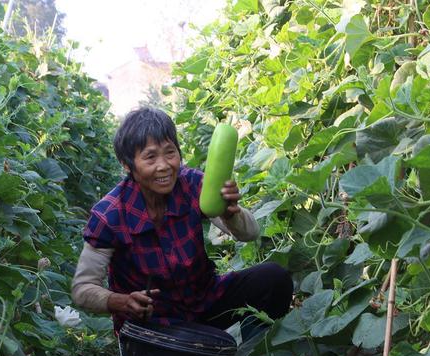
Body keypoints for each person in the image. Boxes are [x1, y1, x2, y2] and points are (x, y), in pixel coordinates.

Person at [71, 107, 292, 338]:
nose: (164, 165)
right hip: (154, 325)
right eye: (150, 157)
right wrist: (121, 302)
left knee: (273, 279)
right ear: (127, 165)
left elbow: (250, 233)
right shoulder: (109, 216)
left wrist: (230, 213)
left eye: (170, 152)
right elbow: (82, 289)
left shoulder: (192, 184)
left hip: (205, 303)